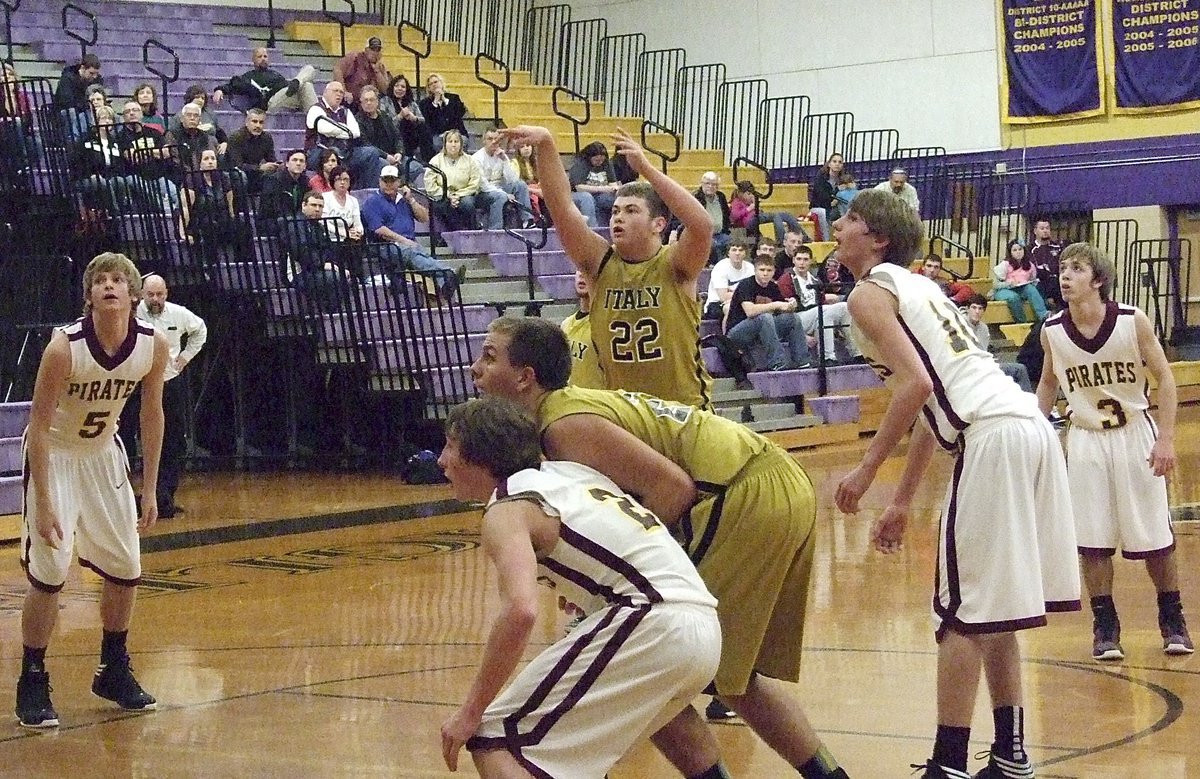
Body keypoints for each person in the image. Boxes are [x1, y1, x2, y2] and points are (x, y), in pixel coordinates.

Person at [471, 315, 850, 779]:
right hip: (769, 481)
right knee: (711, 674)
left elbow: (672, 487)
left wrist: (636, 573)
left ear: (525, 377)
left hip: (741, 488)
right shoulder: (563, 413)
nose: (476, 369)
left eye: (489, 357)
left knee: (650, 651)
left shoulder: (563, 425)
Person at [831, 189, 1080, 779]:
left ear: (879, 238)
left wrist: (867, 472)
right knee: (994, 605)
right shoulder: (917, 286)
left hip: (990, 434)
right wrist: (902, 499)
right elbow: (930, 404)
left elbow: (915, 387)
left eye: (851, 219)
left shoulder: (869, 294)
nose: (837, 226)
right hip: (1027, 424)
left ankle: (947, 764)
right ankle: (1011, 753)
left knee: (962, 612)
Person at [436, 396, 721, 779]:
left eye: (450, 446)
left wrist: (470, 710)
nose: (441, 461)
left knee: (496, 740)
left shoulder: (508, 507)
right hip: (702, 627)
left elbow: (520, 611)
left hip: (651, 621)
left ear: (479, 453)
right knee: (574, 758)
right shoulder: (571, 473)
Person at [16, 252, 168, 729]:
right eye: (99, 280)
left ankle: (113, 668)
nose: (108, 285)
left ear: (132, 293)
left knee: (126, 566)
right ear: (89, 296)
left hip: (104, 456)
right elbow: (37, 427)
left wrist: (150, 487)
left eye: (117, 279)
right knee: (51, 569)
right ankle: (33, 677)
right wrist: (42, 501)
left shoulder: (153, 345)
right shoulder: (64, 348)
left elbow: (151, 414)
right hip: (55, 457)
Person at [1036, 243, 1192, 661]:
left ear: (1098, 279)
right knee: (1092, 541)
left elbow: (1165, 378)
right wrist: (1037, 431)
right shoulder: (1051, 329)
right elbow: (1049, 383)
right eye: (1063, 268)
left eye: (1077, 269)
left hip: (1135, 434)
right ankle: (1105, 625)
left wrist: (1167, 438)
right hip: (1086, 439)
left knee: (1155, 537)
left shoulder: (1131, 320)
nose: (1065, 275)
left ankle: (1172, 619)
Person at [502, 124, 715, 409]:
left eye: (631, 210)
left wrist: (647, 169)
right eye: (615, 211)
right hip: (627, 415)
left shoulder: (675, 263)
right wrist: (547, 144)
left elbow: (702, 225)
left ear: (659, 224)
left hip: (684, 412)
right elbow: (563, 209)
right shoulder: (599, 264)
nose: (618, 218)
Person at [132, 275, 206, 519]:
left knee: (173, 439)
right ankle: (128, 499)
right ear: (142, 294)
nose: (155, 299)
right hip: (135, 383)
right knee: (126, 436)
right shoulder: (131, 314)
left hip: (168, 382)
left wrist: (184, 357)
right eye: (150, 295)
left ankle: (164, 497)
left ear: (167, 293)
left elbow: (200, 330)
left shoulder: (179, 313)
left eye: (159, 294)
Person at [363, 164, 461, 300]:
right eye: (385, 180)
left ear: (399, 182)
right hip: (385, 245)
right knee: (411, 250)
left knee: (414, 251)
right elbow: (379, 230)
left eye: (392, 180)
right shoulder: (372, 202)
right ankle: (446, 272)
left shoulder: (404, 200)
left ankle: (445, 284)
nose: (389, 184)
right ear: (380, 181)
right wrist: (403, 240)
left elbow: (424, 217)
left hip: (409, 244)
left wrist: (411, 200)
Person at [777, 243, 860, 365]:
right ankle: (827, 356)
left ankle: (857, 353)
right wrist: (803, 335)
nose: (802, 263)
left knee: (844, 307)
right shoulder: (786, 279)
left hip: (817, 315)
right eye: (799, 259)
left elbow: (822, 301)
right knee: (823, 311)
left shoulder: (815, 280)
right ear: (793, 260)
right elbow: (783, 309)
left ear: (811, 261)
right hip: (796, 318)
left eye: (805, 259)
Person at [725, 254, 810, 371]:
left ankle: (802, 360)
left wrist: (791, 305)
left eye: (769, 270)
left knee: (793, 318)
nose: (765, 273)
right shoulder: (746, 284)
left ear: (774, 271)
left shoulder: (773, 287)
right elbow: (750, 311)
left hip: (762, 330)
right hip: (737, 332)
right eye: (762, 270)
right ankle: (777, 362)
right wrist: (775, 305)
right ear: (755, 270)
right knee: (765, 317)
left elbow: (782, 309)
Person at [305, 81, 383, 188]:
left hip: (345, 152)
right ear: (325, 92)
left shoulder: (346, 111)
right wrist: (345, 129)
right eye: (335, 91)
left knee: (371, 152)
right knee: (334, 153)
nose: (339, 94)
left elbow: (355, 133)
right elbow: (325, 129)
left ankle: (367, 191)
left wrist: (337, 129)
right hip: (318, 153)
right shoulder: (316, 109)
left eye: (341, 92)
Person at [212, 47, 317, 114]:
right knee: (304, 84)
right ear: (253, 60)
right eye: (259, 56)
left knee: (308, 75)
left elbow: (286, 88)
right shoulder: (248, 76)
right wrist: (220, 90)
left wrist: (294, 86)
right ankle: (318, 119)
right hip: (271, 103)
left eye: (265, 56)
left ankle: (316, 120)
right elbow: (233, 85)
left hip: (286, 97)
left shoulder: (275, 74)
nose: (263, 58)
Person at [963, 294, 1033, 393]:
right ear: (967, 309)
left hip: (984, 364)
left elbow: (983, 351)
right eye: (974, 308)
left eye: (980, 308)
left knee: (1019, 369)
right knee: (1018, 370)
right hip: (970, 367)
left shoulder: (983, 328)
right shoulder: (960, 325)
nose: (977, 312)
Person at [471, 127, 534, 229]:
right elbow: (483, 185)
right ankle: (495, 229)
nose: (494, 142)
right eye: (490, 139)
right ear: (484, 141)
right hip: (481, 193)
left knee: (521, 185)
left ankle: (527, 221)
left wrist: (504, 160)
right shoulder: (476, 158)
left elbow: (513, 179)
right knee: (500, 197)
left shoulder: (501, 155)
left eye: (496, 139)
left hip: (499, 187)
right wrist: (504, 194)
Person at [425, 129, 484, 232]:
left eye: (456, 142)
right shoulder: (435, 161)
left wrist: (458, 195)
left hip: (464, 194)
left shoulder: (470, 160)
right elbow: (430, 185)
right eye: (450, 141)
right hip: (443, 195)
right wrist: (448, 195)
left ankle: (472, 231)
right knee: (441, 204)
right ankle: (452, 232)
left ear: (461, 144)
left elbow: (475, 183)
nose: (453, 145)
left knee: (468, 204)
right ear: (445, 144)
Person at [560, 271, 605, 389]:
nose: (581, 274)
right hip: (573, 401)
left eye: (587, 270)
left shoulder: (604, 325)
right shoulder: (566, 323)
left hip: (597, 402)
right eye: (579, 269)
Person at [380, 74, 435, 162]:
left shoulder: (411, 103)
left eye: (403, 87)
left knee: (424, 128)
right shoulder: (385, 101)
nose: (399, 89)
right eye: (397, 86)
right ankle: (407, 156)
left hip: (412, 133)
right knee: (403, 124)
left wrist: (413, 118)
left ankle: (428, 160)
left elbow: (422, 119)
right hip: (393, 134)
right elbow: (385, 123)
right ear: (392, 87)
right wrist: (400, 116)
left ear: (406, 90)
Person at [992, 239, 1048, 323]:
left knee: (1031, 289)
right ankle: (1021, 323)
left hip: (1021, 289)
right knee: (1013, 297)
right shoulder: (1005, 264)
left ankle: (1043, 316)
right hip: (1003, 290)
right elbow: (995, 285)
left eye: (1020, 249)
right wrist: (1009, 284)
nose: (1018, 252)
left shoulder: (1030, 265)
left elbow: (1033, 280)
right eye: (1014, 250)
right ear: (1010, 252)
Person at [730, 180, 806, 242]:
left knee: (786, 215)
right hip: (749, 222)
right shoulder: (737, 202)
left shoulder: (750, 202)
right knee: (774, 216)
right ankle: (781, 240)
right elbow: (734, 216)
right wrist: (749, 208)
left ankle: (804, 237)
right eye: (748, 194)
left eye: (751, 194)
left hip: (756, 218)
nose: (750, 196)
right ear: (740, 194)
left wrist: (756, 207)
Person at [225, 108, 277, 194]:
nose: (258, 125)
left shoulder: (266, 138)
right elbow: (238, 165)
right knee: (240, 176)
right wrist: (259, 168)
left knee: (277, 176)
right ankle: (242, 207)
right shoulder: (236, 137)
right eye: (254, 121)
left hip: (255, 174)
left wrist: (276, 165)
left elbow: (271, 158)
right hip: (235, 174)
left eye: (261, 122)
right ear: (247, 122)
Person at [52, 53, 103, 141]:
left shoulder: (97, 80)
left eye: (96, 73)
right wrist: (86, 105)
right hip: (66, 112)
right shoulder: (67, 78)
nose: (94, 76)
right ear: (82, 68)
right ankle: (74, 141)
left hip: (84, 110)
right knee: (72, 112)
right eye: (91, 73)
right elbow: (67, 101)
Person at [568, 141, 621, 225]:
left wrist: (614, 188)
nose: (599, 162)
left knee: (616, 198)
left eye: (601, 160)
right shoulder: (581, 164)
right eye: (596, 160)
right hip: (578, 194)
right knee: (587, 198)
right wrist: (602, 189)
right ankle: (593, 229)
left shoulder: (607, 164)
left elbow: (612, 183)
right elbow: (579, 187)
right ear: (590, 157)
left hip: (600, 195)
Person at [703, 238, 755, 321]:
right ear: (728, 253)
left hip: (742, 302)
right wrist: (744, 296)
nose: (737, 253)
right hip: (716, 304)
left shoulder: (750, 268)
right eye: (734, 250)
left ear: (745, 253)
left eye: (741, 250)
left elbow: (754, 293)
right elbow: (723, 296)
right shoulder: (721, 267)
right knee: (732, 309)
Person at [334, 37, 391, 108]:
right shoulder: (354, 58)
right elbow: (337, 69)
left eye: (378, 50)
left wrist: (377, 71)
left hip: (369, 104)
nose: (375, 53)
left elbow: (385, 90)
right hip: (351, 102)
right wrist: (344, 91)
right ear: (366, 50)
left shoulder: (380, 67)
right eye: (373, 49)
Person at [418, 73, 469, 149]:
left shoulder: (454, 98)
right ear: (428, 88)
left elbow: (458, 115)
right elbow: (429, 121)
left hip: (457, 133)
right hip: (438, 135)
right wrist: (435, 102)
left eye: (436, 82)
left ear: (441, 83)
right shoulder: (424, 103)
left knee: (460, 142)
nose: (434, 85)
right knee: (437, 144)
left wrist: (445, 100)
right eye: (430, 84)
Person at [260, 149, 310, 224]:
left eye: (301, 161)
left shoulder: (305, 181)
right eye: (294, 160)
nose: (298, 163)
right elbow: (274, 208)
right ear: (287, 163)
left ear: (305, 166)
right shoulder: (274, 180)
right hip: (272, 221)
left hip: (296, 221)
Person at [694, 171, 731, 264]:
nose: (710, 186)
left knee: (733, 243)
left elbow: (726, 214)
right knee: (713, 245)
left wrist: (726, 230)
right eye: (707, 183)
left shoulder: (721, 196)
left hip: (721, 234)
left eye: (714, 184)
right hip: (704, 235)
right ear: (702, 184)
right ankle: (716, 267)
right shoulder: (696, 197)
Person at [1029, 218, 1064, 309]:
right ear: (1035, 231)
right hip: (1042, 283)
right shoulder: (1030, 249)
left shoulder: (1058, 247)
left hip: (1058, 282)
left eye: (1047, 228)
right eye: (1042, 228)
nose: (1045, 231)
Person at [808, 152, 844, 241]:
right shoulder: (821, 177)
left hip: (834, 207)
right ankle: (826, 241)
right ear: (829, 164)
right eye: (834, 161)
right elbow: (822, 196)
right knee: (823, 212)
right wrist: (836, 195)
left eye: (840, 162)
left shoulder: (843, 178)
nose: (837, 164)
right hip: (818, 207)